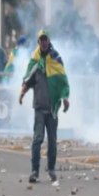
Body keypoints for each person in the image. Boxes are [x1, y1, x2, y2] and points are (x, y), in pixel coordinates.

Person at [19, 30, 70, 184]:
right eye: (41, 40)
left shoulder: (56, 59)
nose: (43, 42)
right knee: (38, 139)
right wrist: (21, 94)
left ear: (49, 40)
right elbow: (28, 81)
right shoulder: (36, 64)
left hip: (53, 108)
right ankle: (34, 171)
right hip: (39, 108)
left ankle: (51, 169)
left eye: (45, 39)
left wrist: (65, 98)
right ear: (38, 42)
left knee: (52, 141)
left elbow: (62, 80)